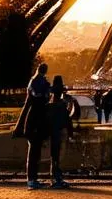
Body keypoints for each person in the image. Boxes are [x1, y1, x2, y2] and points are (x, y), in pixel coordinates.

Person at [14, 62, 51, 190]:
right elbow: (41, 97)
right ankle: (31, 179)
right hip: (35, 124)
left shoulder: (34, 82)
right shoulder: (40, 85)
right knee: (34, 153)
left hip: (32, 123)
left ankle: (32, 179)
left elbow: (34, 98)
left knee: (34, 153)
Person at [48, 76, 74, 189]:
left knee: (53, 156)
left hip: (52, 132)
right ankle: (57, 178)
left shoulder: (49, 105)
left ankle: (54, 178)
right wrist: (71, 133)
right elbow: (68, 120)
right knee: (56, 157)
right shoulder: (62, 105)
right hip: (58, 132)